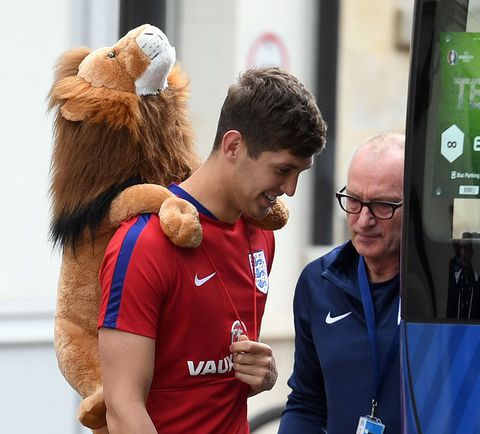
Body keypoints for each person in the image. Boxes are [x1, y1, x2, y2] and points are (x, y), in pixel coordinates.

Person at [98, 67, 327, 433]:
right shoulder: (144, 243)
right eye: (282, 169)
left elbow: (207, 380)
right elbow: (123, 408)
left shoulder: (262, 236)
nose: (290, 189)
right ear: (233, 146)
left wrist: (262, 376)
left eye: (300, 172)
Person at [278, 132, 405, 433]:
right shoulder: (317, 283)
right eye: (354, 201)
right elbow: (307, 403)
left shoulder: (449, 290)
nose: (363, 220)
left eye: (382, 205)